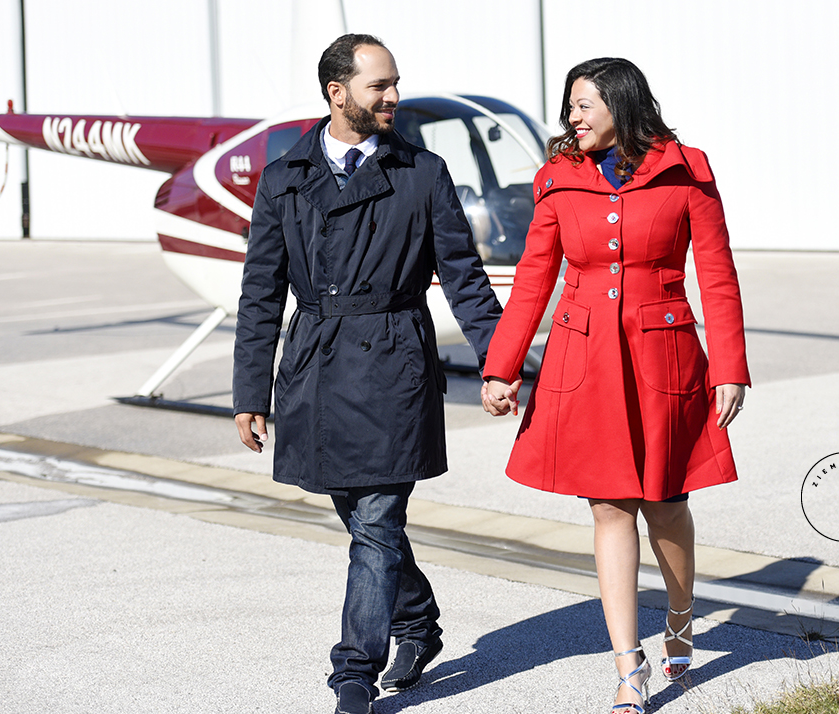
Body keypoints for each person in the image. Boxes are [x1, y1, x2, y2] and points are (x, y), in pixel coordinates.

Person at [233, 34, 502, 714]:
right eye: (379, 85)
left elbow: (465, 280)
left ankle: (353, 673)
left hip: (394, 362)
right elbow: (261, 291)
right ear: (336, 92)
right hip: (315, 367)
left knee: (378, 521)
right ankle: (417, 622)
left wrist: (499, 362)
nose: (392, 96)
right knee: (362, 522)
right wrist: (249, 393)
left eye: (394, 83)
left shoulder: (422, 172)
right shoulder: (284, 177)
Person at [482, 58, 750, 714]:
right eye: (569, 105)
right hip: (584, 361)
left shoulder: (686, 170)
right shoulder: (556, 180)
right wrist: (501, 365)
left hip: (665, 359)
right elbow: (534, 277)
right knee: (607, 506)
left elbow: (716, 273)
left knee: (665, 502)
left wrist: (730, 366)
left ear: (620, 104)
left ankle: (681, 616)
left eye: (583, 104)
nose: (572, 116)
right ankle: (629, 667)